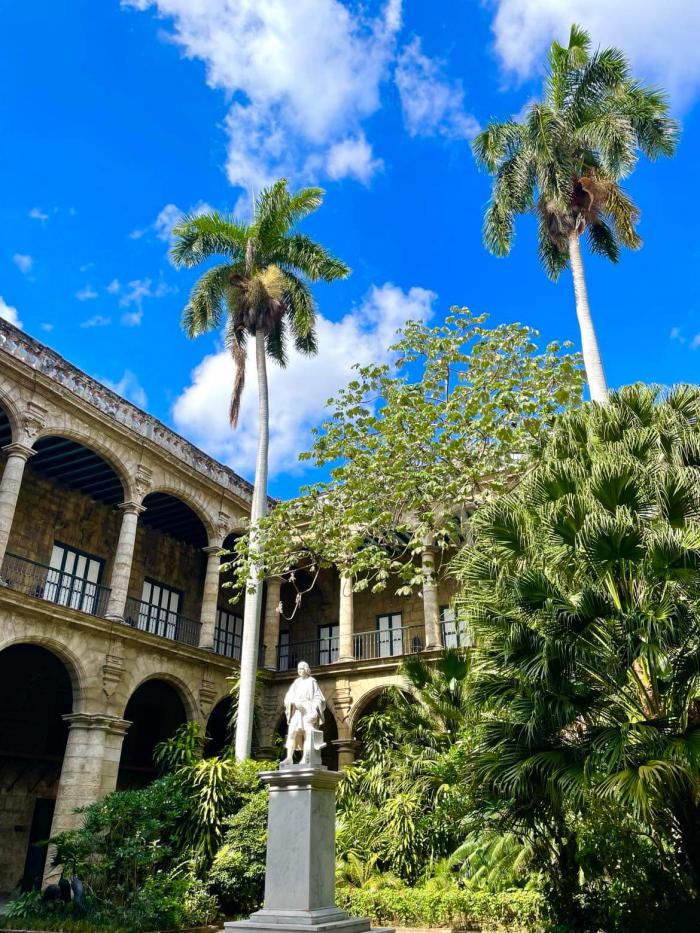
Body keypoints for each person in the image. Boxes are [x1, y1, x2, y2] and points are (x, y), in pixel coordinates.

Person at [282, 661, 326, 765]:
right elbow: (288, 696)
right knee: (292, 732)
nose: (299, 671)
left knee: (308, 734)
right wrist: (294, 702)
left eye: (301, 669)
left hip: (308, 710)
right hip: (297, 710)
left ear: (306, 670)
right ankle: (289, 757)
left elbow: (318, 697)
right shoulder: (296, 682)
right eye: (298, 669)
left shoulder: (312, 681)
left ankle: (305, 758)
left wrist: (314, 710)